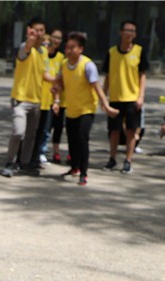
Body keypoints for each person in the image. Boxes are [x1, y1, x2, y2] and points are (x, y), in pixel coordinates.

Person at [52, 31, 117, 186]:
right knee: (72, 140)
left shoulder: (88, 65)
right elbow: (59, 83)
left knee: (82, 139)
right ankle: (74, 168)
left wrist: (105, 105)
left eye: (72, 47)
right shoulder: (64, 65)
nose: (68, 50)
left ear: (81, 49)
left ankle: (84, 172)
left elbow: (97, 87)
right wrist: (56, 98)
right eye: (67, 47)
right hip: (71, 108)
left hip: (86, 109)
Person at [1, 17, 51, 177]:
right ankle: (10, 162)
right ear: (29, 31)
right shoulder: (25, 47)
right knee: (18, 132)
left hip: (36, 100)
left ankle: (24, 163)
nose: (39, 33)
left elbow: (45, 74)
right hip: (20, 99)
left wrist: (59, 81)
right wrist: (30, 39)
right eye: (35, 30)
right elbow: (27, 46)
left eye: (41, 30)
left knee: (31, 135)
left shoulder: (43, 52)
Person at [102, 19, 147, 175]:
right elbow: (107, 75)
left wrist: (141, 96)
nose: (129, 34)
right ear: (120, 32)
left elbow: (142, 76)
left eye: (132, 31)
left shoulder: (139, 51)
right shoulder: (112, 52)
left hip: (132, 98)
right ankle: (112, 158)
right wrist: (103, 96)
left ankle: (128, 160)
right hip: (115, 98)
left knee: (131, 131)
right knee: (114, 131)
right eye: (127, 30)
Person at [32, 28, 64, 168]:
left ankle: (40, 153)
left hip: (49, 98)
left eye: (59, 38)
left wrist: (57, 99)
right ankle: (29, 155)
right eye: (54, 37)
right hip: (37, 96)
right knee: (33, 129)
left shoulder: (61, 58)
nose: (55, 40)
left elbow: (58, 82)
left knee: (45, 129)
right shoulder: (41, 53)